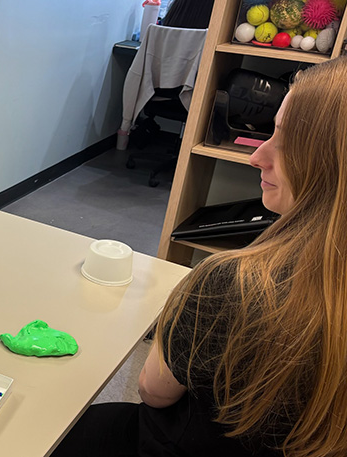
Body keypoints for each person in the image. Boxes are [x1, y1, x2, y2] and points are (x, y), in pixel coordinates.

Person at [54, 57, 347, 457]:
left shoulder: (235, 283)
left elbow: (153, 391)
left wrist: (183, 310)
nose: (257, 157)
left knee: (65, 425)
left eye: (287, 142)